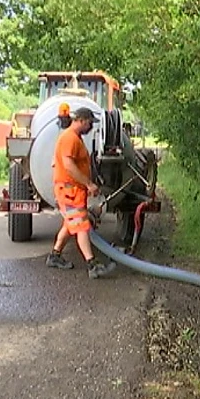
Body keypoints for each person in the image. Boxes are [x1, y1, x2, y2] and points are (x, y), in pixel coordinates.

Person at [46, 105, 116, 279]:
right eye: (90, 123)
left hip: (73, 191)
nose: (91, 127)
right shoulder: (69, 138)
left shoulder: (74, 138)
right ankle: (92, 265)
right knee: (82, 227)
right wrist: (89, 184)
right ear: (82, 121)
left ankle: (54, 256)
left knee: (70, 225)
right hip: (69, 191)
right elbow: (68, 165)